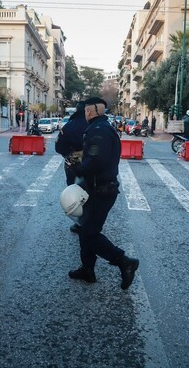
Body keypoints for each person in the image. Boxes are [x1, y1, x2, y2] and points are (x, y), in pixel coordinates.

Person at [68, 97, 139, 290]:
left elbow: (95, 161)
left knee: (90, 233)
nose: (85, 114)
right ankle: (87, 269)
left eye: (85, 111)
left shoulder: (99, 131)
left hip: (101, 190)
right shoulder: (102, 127)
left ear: (89, 112)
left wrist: (78, 168)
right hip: (97, 188)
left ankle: (124, 261)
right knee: (85, 230)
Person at [55, 100, 90, 234]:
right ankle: (91, 219)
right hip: (92, 164)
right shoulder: (95, 125)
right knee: (91, 191)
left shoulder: (69, 125)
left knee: (75, 192)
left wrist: (69, 154)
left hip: (73, 164)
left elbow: (58, 147)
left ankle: (80, 222)